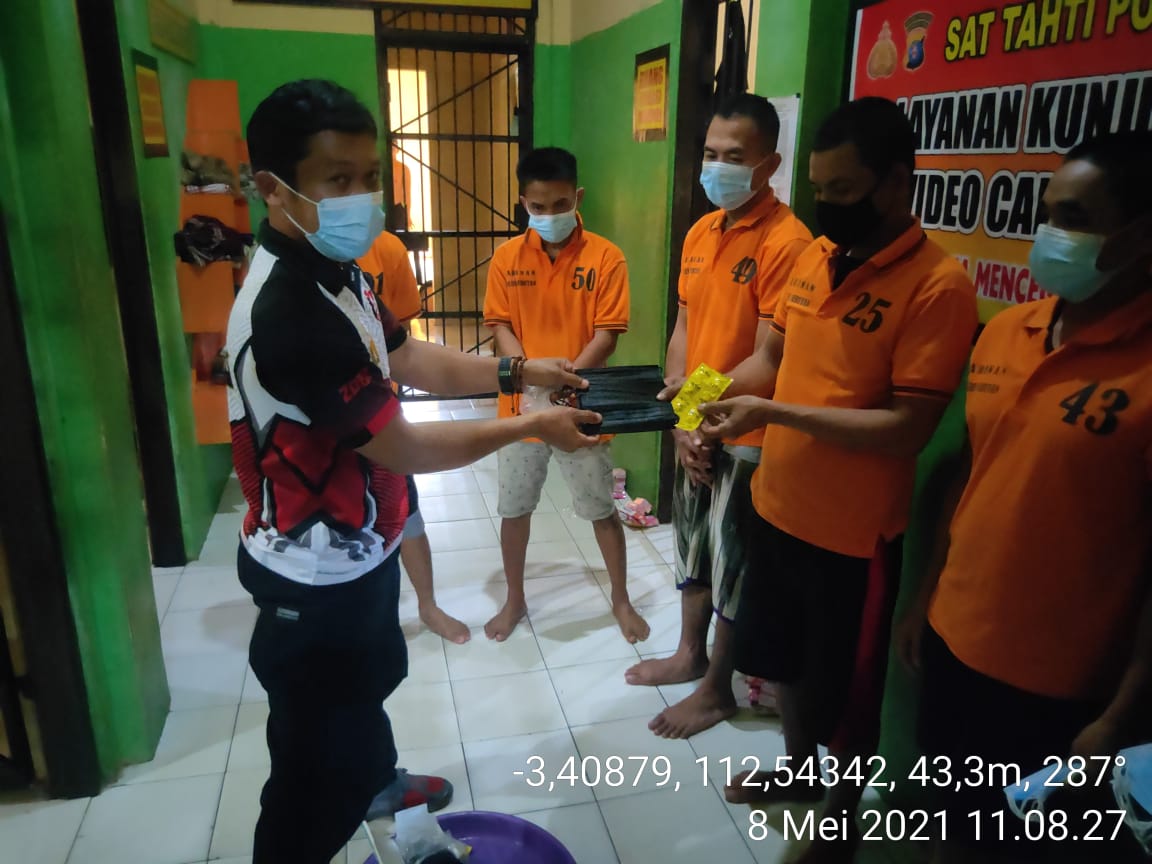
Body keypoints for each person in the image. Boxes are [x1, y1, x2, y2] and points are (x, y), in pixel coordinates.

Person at [228, 80, 598, 864]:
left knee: (367, 688)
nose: (364, 198)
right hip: (311, 579)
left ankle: (378, 781)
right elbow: (403, 447)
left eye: (370, 176)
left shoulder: (341, 271)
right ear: (273, 188)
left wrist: (521, 371)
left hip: (362, 548)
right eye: (338, 179)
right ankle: (337, 802)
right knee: (308, 778)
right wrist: (531, 423)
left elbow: (411, 357)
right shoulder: (289, 314)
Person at [698, 97, 978, 863]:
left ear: (897, 182)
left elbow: (908, 427)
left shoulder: (937, 286)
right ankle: (798, 773)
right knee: (785, 663)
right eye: (820, 188)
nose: (827, 206)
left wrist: (775, 414)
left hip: (854, 538)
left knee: (848, 694)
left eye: (844, 190)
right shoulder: (815, 256)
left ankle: (842, 819)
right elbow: (770, 361)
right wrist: (696, 403)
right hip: (777, 506)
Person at [894, 131, 1152, 864]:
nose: (1050, 235)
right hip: (953, 638)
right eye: (1046, 214)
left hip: (1061, 685)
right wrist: (926, 599)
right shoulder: (1008, 330)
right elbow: (973, 476)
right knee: (949, 826)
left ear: (1141, 235)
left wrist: (1123, 713)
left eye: (1075, 218)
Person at [623, 93, 812, 740]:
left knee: (734, 560)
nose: (717, 167)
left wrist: (701, 413)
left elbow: (768, 358)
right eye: (710, 153)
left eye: (735, 156)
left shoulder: (789, 243)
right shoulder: (702, 232)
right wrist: (685, 417)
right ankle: (689, 654)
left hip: (748, 433)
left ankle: (716, 690)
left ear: (769, 165)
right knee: (692, 544)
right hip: (696, 420)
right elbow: (683, 328)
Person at [482, 147, 650, 644]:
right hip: (519, 410)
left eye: (560, 204)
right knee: (514, 510)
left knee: (600, 509)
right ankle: (515, 599)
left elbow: (607, 334)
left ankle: (620, 599)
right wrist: (527, 372)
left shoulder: (606, 257)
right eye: (537, 207)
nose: (549, 215)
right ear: (522, 203)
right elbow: (500, 324)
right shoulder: (506, 258)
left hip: (585, 407)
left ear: (577, 197)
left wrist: (565, 381)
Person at [359, 231, 470, 644]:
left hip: (380, 412)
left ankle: (428, 606)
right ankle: (366, 619)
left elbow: (402, 344)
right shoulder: (284, 273)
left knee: (406, 513)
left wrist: (512, 374)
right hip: (320, 428)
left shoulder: (386, 247)